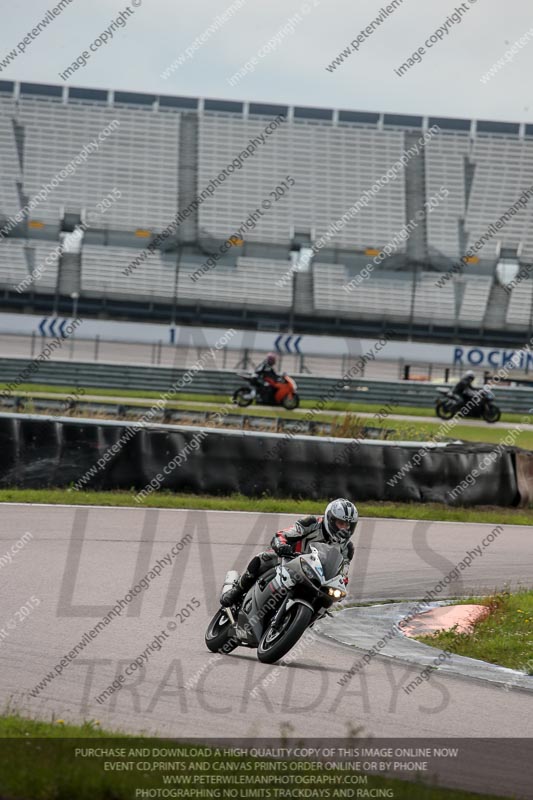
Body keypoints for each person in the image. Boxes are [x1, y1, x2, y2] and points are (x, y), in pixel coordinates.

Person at [220, 499, 358, 607]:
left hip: (316, 577)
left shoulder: (347, 548)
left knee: (326, 602)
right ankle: (237, 590)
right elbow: (283, 535)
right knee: (263, 558)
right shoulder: (311, 523)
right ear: (331, 519)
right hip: (289, 560)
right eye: (341, 523)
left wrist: (341, 585)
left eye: (348, 525)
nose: (344, 528)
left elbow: (343, 573)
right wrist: (282, 545)